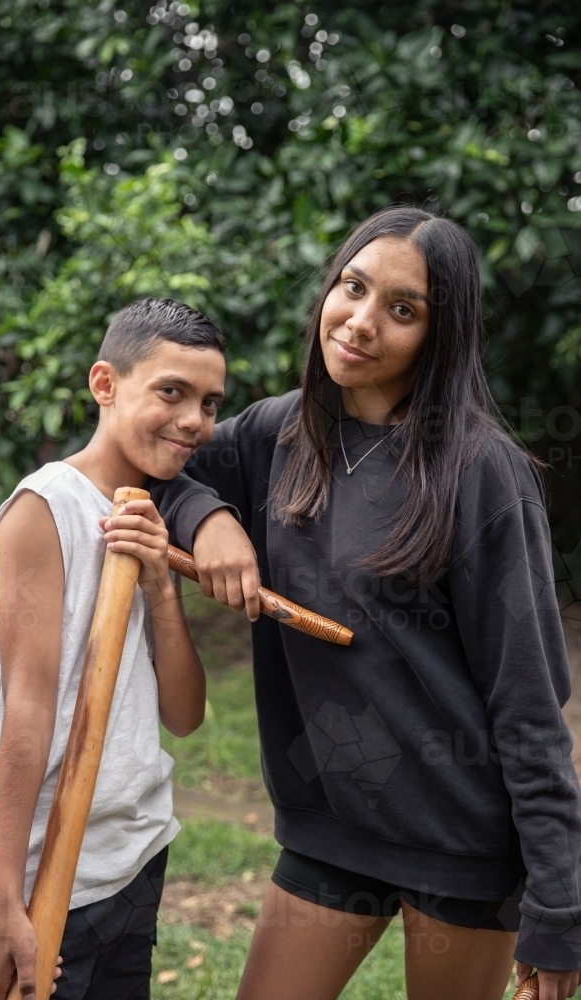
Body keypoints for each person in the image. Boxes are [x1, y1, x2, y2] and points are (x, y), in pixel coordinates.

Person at [142, 207, 581, 1000]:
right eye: (353, 287)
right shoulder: (282, 431)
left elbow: (528, 703)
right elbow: (159, 464)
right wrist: (208, 522)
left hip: (461, 840)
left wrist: (559, 905)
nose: (361, 322)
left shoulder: (480, 473)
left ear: (437, 337)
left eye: (402, 310)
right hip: (330, 825)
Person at [0, 298, 227, 1000]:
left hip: (131, 856)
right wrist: (9, 898)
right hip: (45, 871)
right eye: (171, 391)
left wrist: (163, 588)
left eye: (209, 401)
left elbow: (186, 714)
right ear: (104, 384)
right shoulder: (42, 510)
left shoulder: (148, 514)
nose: (194, 419)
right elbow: (26, 708)